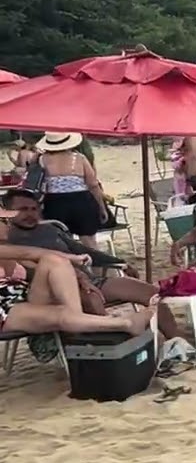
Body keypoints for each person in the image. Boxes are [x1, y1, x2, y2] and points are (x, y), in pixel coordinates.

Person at [2, 189, 180, 338]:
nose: (30, 214)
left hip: (87, 280)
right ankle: (111, 349)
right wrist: (78, 277)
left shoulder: (49, 229)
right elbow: (28, 268)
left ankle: (177, 341)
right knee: (90, 299)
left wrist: (120, 263)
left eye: (33, 209)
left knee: (150, 292)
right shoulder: (9, 240)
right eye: (22, 209)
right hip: (55, 290)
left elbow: (80, 250)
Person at [0, 244, 154, 337]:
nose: (8, 223)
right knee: (61, 314)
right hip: (5, 309)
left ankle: (76, 318)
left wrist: (72, 258)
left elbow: (29, 254)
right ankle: (125, 323)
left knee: (53, 260)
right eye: (3, 221)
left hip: (22, 294)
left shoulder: (7, 247)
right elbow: (25, 253)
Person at [33, 132, 108, 249]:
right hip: (81, 202)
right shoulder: (79, 158)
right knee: (90, 244)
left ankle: (69, 266)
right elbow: (93, 184)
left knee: (61, 244)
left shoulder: (42, 159)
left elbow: (36, 181)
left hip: (54, 203)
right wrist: (101, 207)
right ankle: (96, 266)